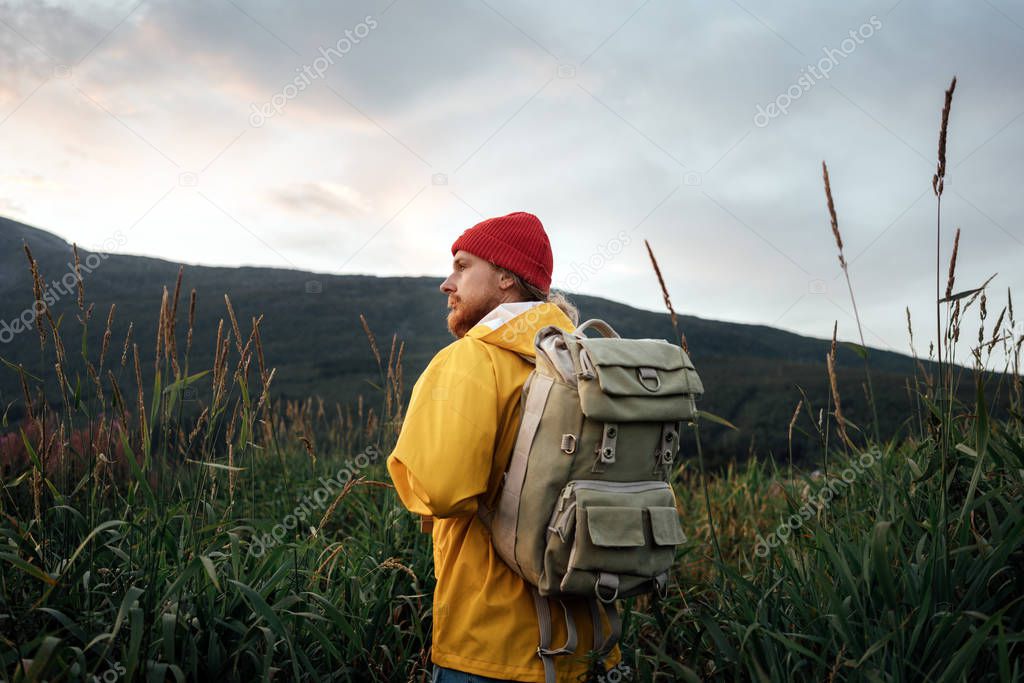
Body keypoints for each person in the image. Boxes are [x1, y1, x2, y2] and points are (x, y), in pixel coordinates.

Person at [386, 211, 622, 682]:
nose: (446, 283)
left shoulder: (471, 358)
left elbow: (440, 489)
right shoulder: (589, 363)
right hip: (593, 645)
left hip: (492, 649)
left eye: (461, 266)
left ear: (505, 277)